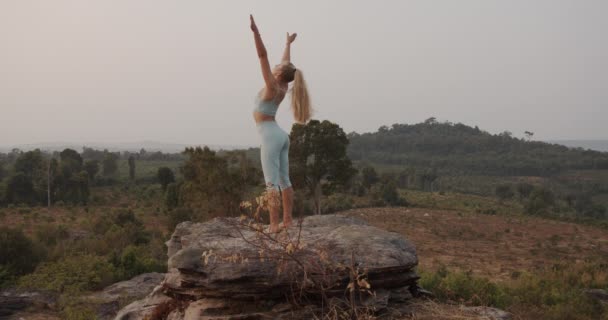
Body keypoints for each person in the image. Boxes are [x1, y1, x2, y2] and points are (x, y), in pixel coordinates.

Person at [250, 15, 312, 233]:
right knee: (284, 180)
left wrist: (256, 33)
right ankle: (288, 221)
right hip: (281, 136)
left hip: (270, 136)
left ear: (277, 73)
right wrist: (287, 45)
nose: (275, 65)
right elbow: (286, 67)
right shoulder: (283, 86)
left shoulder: (271, 87)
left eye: (277, 66)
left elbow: (262, 55)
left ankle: (274, 225)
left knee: (271, 183)